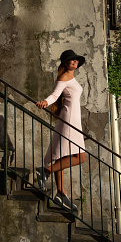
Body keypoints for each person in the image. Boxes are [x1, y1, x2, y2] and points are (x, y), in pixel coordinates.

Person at [36, 49, 86, 212]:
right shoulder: (64, 77)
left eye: (76, 60)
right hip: (69, 120)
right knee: (80, 157)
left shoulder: (72, 78)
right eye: (72, 60)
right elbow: (55, 95)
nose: (75, 62)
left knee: (63, 156)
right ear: (65, 63)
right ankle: (45, 170)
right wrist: (45, 101)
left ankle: (61, 194)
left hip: (72, 120)